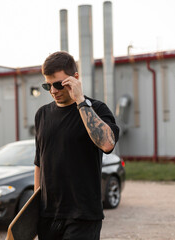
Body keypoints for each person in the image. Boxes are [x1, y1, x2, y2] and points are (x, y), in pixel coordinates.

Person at [34, 51, 119, 240]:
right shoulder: (42, 114)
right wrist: (34, 209)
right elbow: (39, 163)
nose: (53, 91)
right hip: (48, 215)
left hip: (83, 215)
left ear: (75, 79)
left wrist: (80, 101)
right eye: (47, 85)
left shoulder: (97, 109)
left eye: (58, 84)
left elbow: (107, 144)